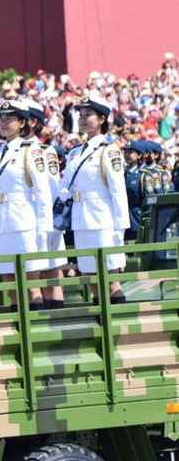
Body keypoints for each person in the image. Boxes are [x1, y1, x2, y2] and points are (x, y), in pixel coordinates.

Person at [0, 99, 51, 309]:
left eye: (10, 119)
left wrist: (44, 229)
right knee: (10, 286)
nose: (4, 123)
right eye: (2, 118)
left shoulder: (31, 152)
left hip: (25, 222)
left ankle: (36, 329)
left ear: (22, 123)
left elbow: (43, 193)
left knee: (30, 285)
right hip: (1, 223)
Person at [57, 95, 129, 301]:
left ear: (102, 119)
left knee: (110, 278)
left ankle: (118, 323)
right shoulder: (76, 152)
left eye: (88, 115)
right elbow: (67, 182)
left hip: (103, 220)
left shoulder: (108, 151)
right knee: (90, 277)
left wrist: (120, 229)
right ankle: (101, 324)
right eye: (81, 114)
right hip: (81, 219)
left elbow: (118, 192)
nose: (82, 118)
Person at [25, 99, 67, 309]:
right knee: (29, 278)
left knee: (51, 274)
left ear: (33, 122)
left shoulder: (45, 151)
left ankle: (56, 321)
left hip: (45, 219)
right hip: (25, 222)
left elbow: (52, 190)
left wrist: (49, 225)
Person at [123, 140, 144, 240]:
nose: (127, 155)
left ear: (139, 155)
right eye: (125, 152)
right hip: (123, 218)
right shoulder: (122, 174)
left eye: (130, 152)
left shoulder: (143, 175)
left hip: (137, 218)